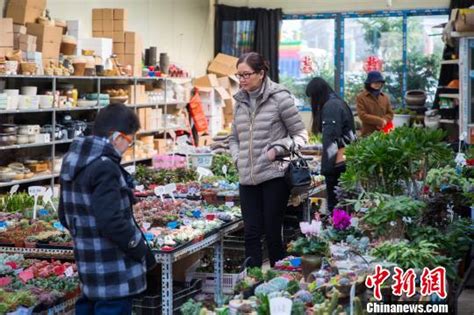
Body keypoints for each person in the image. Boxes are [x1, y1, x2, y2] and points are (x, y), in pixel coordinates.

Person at [59, 104, 156, 315]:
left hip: (87, 264)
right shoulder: (105, 166)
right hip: (114, 271)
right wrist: (140, 249)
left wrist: (86, 234)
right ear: (117, 137)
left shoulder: (71, 161)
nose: (126, 148)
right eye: (129, 141)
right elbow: (112, 221)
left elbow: (64, 215)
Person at [229, 52, 308, 268]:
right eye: (239, 75)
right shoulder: (240, 102)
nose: (242, 79)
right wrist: (237, 158)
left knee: (273, 232)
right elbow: (234, 138)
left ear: (261, 73)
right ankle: (251, 286)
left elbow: (301, 135)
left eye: (246, 74)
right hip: (247, 177)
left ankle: (281, 280)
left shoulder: (280, 98)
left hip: (274, 174)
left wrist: (278, 148)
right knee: (251, 233)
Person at [306, 77, 356, 212]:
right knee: (347, 205)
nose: (312, 102)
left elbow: (330, 141)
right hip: (346, 159)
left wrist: (326, 170)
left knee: (336, 207)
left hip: (338, 164)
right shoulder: (338, 102)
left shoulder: (330, 107)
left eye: (312, 97)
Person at [356, 71, 394, 136]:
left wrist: (384, 121)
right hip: (368, 133)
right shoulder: (361, 97)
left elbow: (390, 113)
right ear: (369, 83)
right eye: (375, 82)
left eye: (379, 82)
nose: (378, 84)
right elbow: (362, 115)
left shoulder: (385, 97)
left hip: (385, 132)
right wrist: (379, 121)